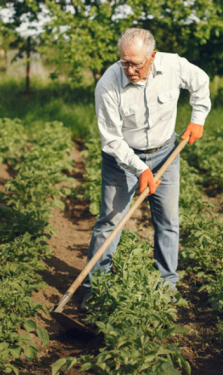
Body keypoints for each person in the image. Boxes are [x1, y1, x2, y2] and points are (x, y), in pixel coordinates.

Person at [80, 28, 211, 312]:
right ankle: (96, 288)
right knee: (110, 222)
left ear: (152, 56)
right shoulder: (108, 84)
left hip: (166, 153)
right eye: (124, 62)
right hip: (122, 160)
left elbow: (200, 81)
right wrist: (140, 170)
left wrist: (197, 118)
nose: (129, 69)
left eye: (136, 63)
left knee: (167, 222)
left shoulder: (173, 65)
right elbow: (112, 140)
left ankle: (167, 287)